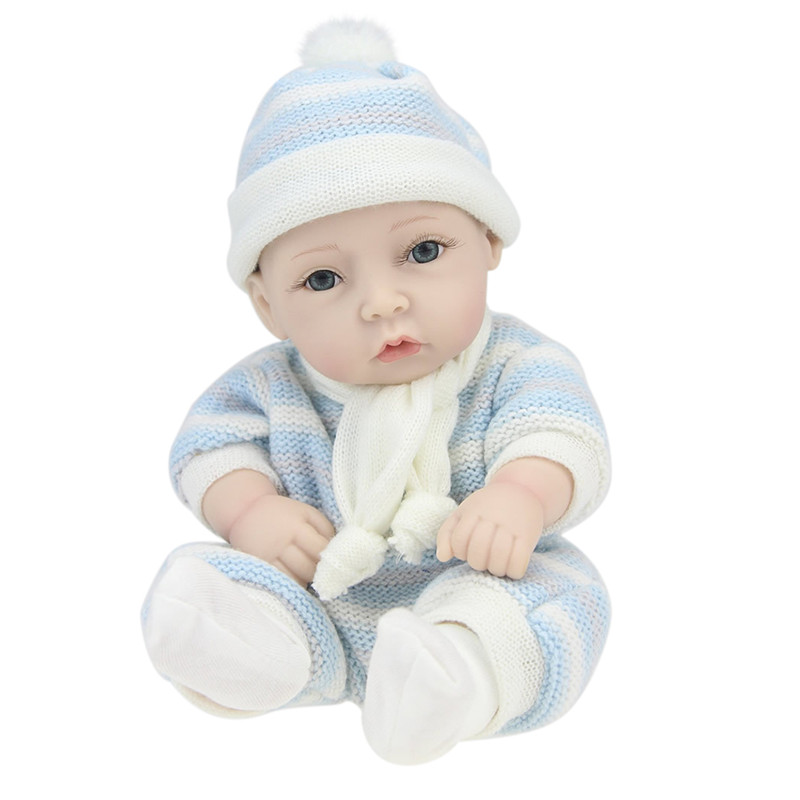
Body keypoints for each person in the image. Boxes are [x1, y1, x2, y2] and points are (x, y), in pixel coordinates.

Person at [142, 19, 611, 765]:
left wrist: (522, 494)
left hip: (479, 578)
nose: (383, 301)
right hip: (320, 594)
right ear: (268, 307)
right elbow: (210, 447)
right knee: (227, 583)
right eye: (323, 278)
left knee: (560, 598)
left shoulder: (516, 362)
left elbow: (558, 432)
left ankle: (457, 672)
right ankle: (257, 645)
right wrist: (250, 512)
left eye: (422, 251)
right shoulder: (270, 387)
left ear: (489, 242)